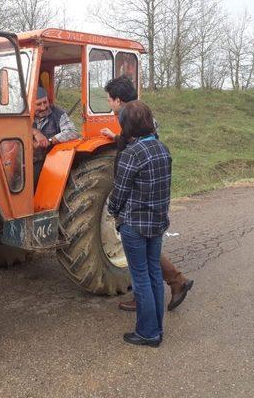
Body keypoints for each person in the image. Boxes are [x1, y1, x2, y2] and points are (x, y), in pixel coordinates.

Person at [101, 77, 193, 312]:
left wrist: (115, 206)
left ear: (118, 100)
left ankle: (171, 286)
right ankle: (172, 285)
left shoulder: (136, 119)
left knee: (139, 255)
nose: (109, 104)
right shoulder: (138, 115)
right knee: (144, 254)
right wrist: (115, 138)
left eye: (109, 100)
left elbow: (138, 148)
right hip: (148, 192)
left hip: (140, 193)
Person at [108, 100, 171, 346]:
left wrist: (113, 212)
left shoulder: (131, 154)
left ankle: (148, 333)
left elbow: (119, 192)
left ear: (128, 126)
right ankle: (158, 328)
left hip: (134, 225)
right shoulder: (162, 148)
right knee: (154, 273)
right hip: (157, 224)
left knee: (141, 277)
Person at [32, 87, 79, 187]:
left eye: (45, 102)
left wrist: (50, 140)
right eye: (38, 104)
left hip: (50, 159)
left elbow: (72, 131)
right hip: (27, 158)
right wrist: (35, 132)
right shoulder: (25, 115)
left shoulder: (58, 114)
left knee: (33, 180)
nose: (43, 107)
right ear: (31, 104)